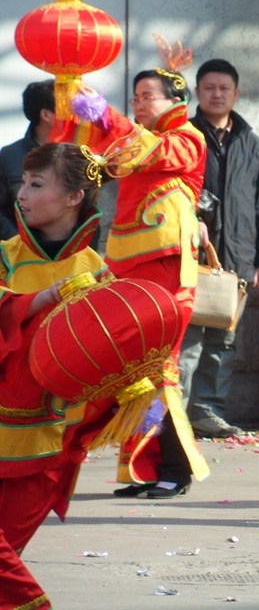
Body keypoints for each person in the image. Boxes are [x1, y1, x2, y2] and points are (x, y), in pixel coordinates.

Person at [55, 62, 212, 499]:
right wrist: (83, 105)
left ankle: (176, 470)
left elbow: (145, 150)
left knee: (159, 369)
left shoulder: (187, 138)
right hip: (128, 267)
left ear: (176, 101)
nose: (141, 103)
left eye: (149, 96)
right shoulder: (139, 137)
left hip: (167, 269)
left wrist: (105, 116)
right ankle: (145, 469)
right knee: (130, 372)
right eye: (136, 96)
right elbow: (110, 151)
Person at [0, 143, 111, 608]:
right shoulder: (6, 257)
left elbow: (110, 361)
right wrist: (39, 300)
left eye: (36, 184)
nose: (21, 193)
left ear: (73, 197)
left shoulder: (98, 275)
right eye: (24, 182)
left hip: (46, 448)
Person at [180, 59, 259, 438]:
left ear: (236, 94)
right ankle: (177, 413)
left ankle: (207, 412)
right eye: (209, 88)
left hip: (235, 258)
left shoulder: (251, 142)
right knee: (188, 340)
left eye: (224, 88)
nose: (217, 94)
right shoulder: (184, 135)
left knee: (224, 341)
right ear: (197, 93)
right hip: (191, 255)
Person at [0, 80, 55, 239]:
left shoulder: (80, 153)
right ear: (46, 115)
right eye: (66, 107)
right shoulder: (9, 155)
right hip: (21, 256)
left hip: (72, 256)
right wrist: (20, 242)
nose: (74, 114)